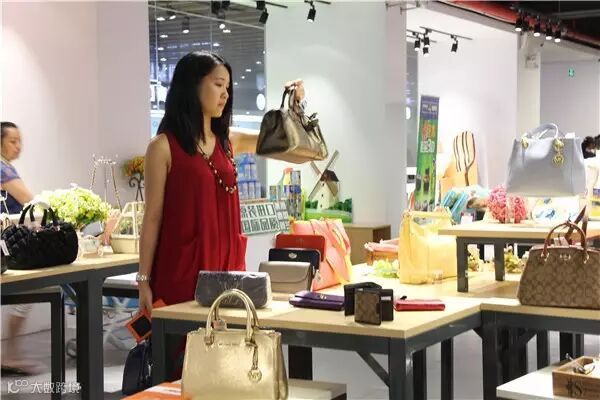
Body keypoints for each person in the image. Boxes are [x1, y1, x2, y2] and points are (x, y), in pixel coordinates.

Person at [137, 52, 305, 312]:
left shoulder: (229, 140)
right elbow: (152, 217)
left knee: (230, 336)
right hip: (181, 272)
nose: (225, 94)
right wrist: (143, 281)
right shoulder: (162, 147)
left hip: (228, 270)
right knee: (182, 337)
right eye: (218, 84)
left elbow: (293, 152)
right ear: (192, 85)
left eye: (227, 87)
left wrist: (296, 110)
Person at [1, 121, 43, 376]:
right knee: (27, 294)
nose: (18, 146)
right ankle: (11, 355)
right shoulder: (4, 170)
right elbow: (29, 199)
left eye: (20, 141)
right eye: (13, 141)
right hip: (9, 245)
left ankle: (11, 354)